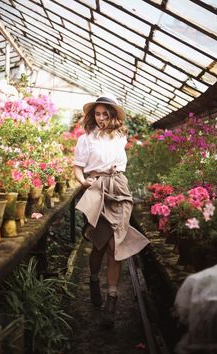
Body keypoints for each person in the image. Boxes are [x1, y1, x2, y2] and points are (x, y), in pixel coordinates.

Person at [73, 95, 149, 327]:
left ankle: (112, 299)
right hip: (97, 189)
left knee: (116, 245)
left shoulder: (120, 136)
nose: (102, 118)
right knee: (98, 243)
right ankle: (94, 279)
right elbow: (77, 168)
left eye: (106, 114)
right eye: (98, 113)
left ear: (113, 115)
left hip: (119, 188)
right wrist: (84, 182)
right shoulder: (85, 139)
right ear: (92, 115)